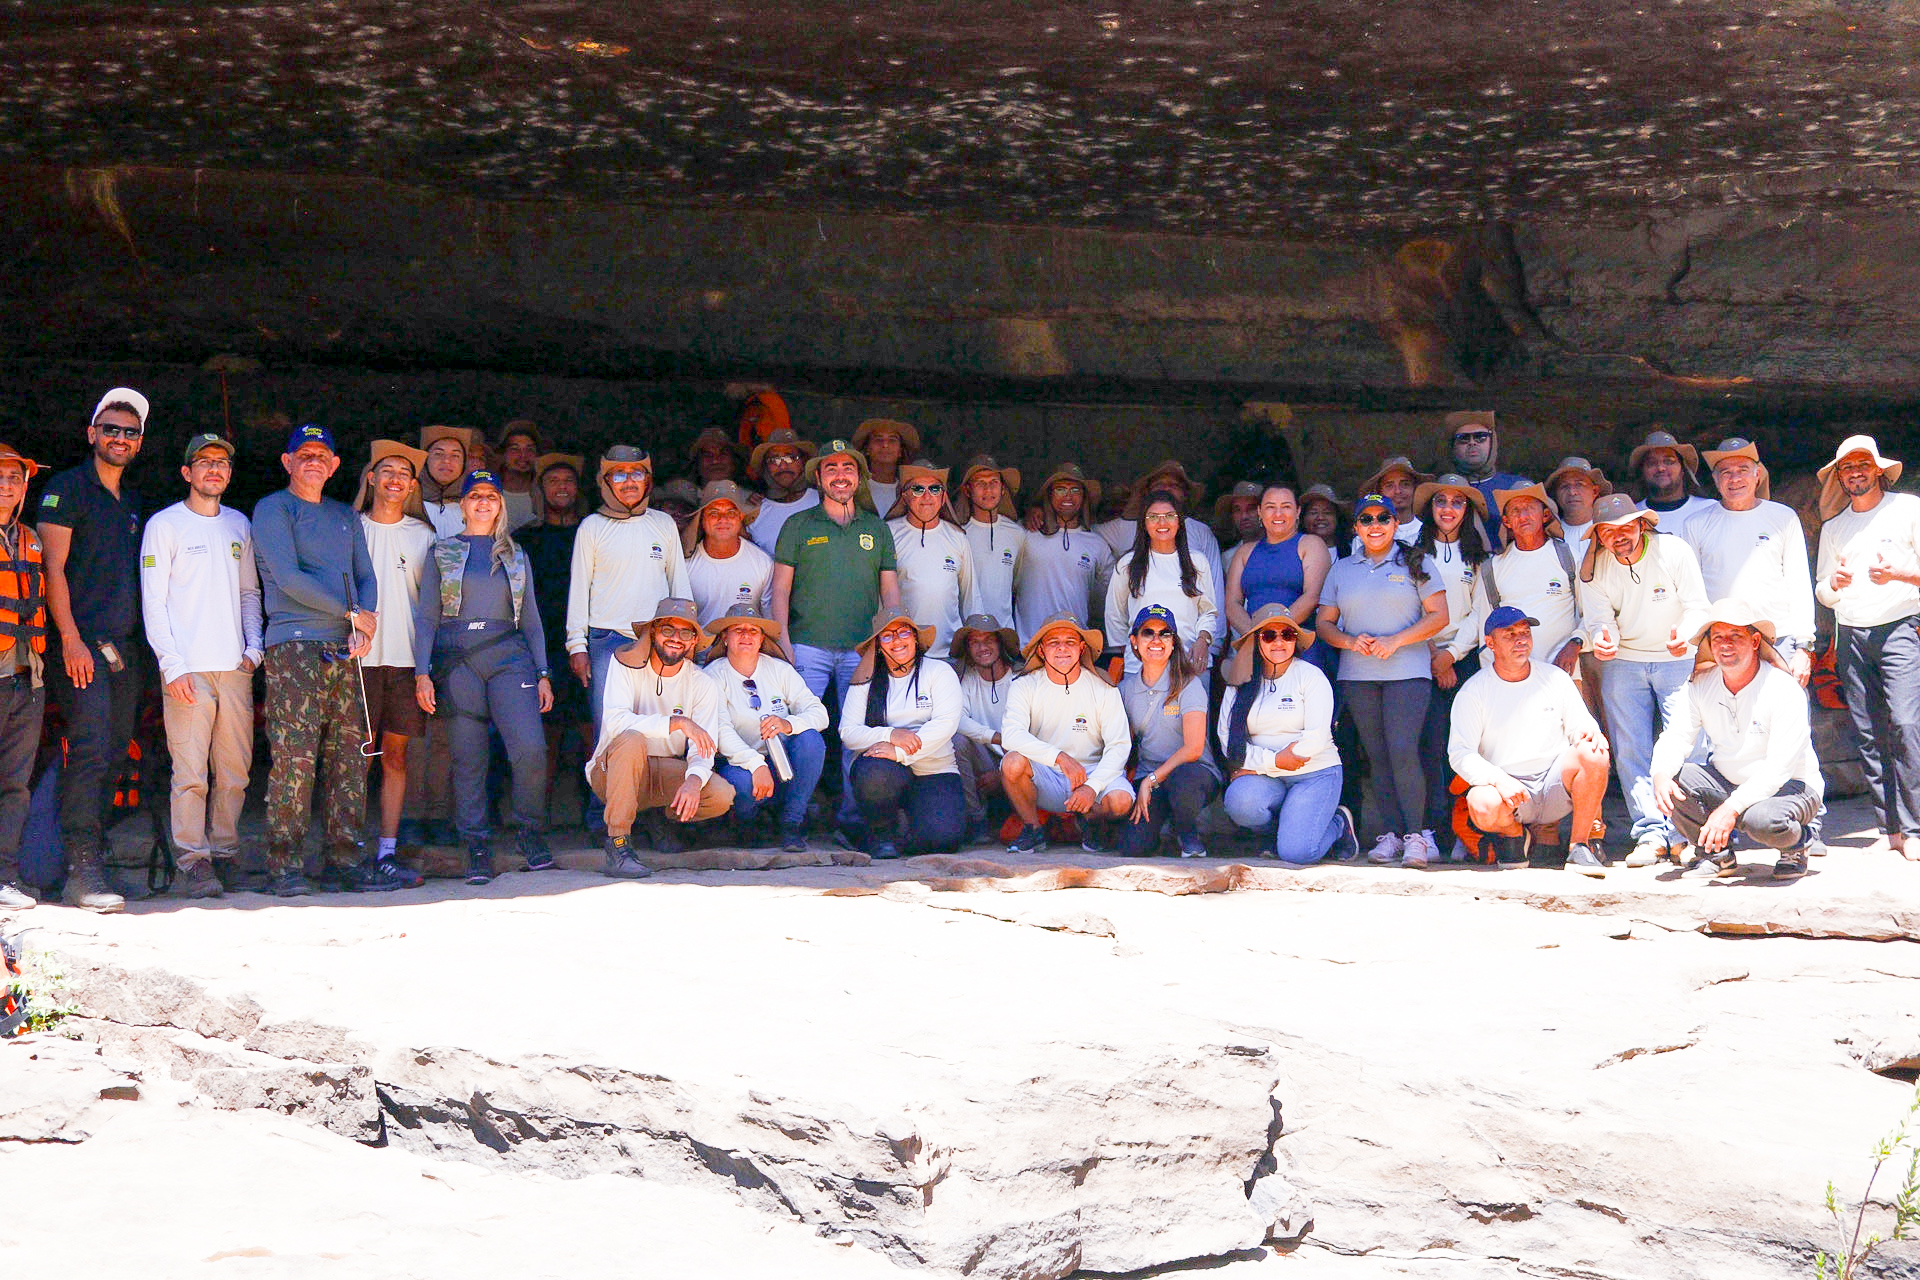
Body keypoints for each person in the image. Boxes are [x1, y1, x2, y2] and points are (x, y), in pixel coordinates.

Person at [251, 423, 388, 895]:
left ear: (334, 467)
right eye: (303, 453)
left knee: (349, 757)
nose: (313, 460)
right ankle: (283, 866)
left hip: (344, 648)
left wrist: (364, 619)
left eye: (321, 455)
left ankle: (345, 861)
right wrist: (351, 612)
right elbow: (288, 577)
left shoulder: (345, 517)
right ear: (287, 463)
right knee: (295, 758)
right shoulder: (274, 508)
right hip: (294, 645)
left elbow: (366, 575)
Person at [38, 387, 150, 913]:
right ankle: (81, 872)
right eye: (111, 429)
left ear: (139, 441)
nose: (120, 438)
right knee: (88, 748)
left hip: (123, 651)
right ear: (92, 434)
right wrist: (71, 641)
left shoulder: (132, 501)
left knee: (113, 750)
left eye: (130, 432)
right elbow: (51, 570)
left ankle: (89, 855)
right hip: (79, 647)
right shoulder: (66, 489)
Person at [413, 470, 554, 884]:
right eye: (475, 495)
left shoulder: (515, 555)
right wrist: (422, 673)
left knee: (530, 749)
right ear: (462, 505)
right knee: (468, 757)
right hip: (458, 659)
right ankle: (474, 842)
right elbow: (426, 618)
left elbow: (531, 619)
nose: (483, 502)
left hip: (509, 656)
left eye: (491, 496)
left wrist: (544, 672)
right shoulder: (442, 552)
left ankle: (530, 830)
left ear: (500, 505)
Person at [140, 432, 264, 900]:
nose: (215, 469)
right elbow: (153, 600)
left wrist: (254, 647)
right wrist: (171, 665)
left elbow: (249, 592)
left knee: (235, 771)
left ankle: (226, 856)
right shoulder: (165, 525)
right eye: (204, 462)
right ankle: (192, 861)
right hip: (187, 668)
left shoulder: (239, 525)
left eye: (223, 463)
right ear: (186, 472)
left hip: (234, 668)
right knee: (190, 773)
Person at [771, 438, 901, 830]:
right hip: (806, 646)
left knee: (856, 738)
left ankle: (852, 820)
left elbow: (890, 592)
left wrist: (892, 644)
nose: (840, 476)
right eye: (831, 469)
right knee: (800, 734)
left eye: (847, 469)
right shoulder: (798, 525)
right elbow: (780, 589)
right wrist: (783, 642)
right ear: (818, 478)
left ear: (858, 477)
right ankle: (791, 818)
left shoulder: (875, 529)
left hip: (862, 651)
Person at [1576, 494, 1710, 867]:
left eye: (1625, 528)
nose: (1618, 537)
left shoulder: (1673, 551)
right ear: (1599, 536)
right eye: (1608, 532)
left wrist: (1686, 633)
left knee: (1688, 743)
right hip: (1626, 660)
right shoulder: (1595, 567)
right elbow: (1599, 618)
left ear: (1641, 525)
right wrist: (1605, 638)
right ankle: (1650, 833)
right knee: (1630, 747)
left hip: (1677, 657)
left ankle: (1688, 833)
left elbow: (1699, 606)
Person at [1315, 492, 1448, 866]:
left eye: (1383, 518)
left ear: (1395, 523)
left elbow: (1439, 615)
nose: (1375, 525)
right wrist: (1349, 641)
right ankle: (1390, 835)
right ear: (1356, 527)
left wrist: (1397, 641)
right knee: (1376, 755)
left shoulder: (1416, 561)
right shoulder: (1342, 568)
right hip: (1358, 673)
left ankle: (1418, 836)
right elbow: (1324, 623)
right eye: (1367, 519)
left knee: (1404, 750)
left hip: (1407, 671)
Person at [1653, 602, 1824, 880]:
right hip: (1729, 781)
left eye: (1736, 636)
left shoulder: (1782, 689)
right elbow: (1676, 736)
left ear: (1755, 641)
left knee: (1762, 820)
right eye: (1718, 637)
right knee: (1674, 782)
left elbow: (1779, 768)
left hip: (1790, 787)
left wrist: (1730, 809)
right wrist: (1660, 773)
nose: (1725, 644)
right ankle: (1717, 856)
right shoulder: (1700, 684)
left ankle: (1798, 844)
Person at [1815, 435, 1920, 858]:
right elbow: (1823, 590)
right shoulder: (1835, 526)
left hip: (1900, 626)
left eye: (1862, 464)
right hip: (1852, 632)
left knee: (1906, 724)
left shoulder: (1909, 508)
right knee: (1868, 731)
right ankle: (1888, 829)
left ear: (1879, 469)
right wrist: (1834, 586)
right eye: (1847, 467)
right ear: (1840, 477)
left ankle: (1914, 828)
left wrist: (1902, 573)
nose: (1855, 472)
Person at [1449, 606, 1612, 874]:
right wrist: (1499, 779)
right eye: (1510, 634)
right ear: (1490, 643)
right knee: (1481, 802)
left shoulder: (1554, 678)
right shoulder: (1474, 691)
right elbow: (1459, 753)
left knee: (1594, 752)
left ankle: (1579, 847)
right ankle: (1514, 835)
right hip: (1509, 791)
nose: (1520, 640)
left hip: (1554, 785)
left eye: (1525, 633)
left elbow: (1581, 725)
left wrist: (1590, 730)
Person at [587, 597, 734, 870]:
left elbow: (704, 746)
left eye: (685, 632)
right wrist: (676, 722)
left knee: (720, 794)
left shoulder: (702, 683)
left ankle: (662, 819)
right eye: (668, 630)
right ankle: (618, 844)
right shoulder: (624, 664)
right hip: (614, 771)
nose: (676, 638)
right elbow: (615, 722)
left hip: (665, 771)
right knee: (631, 739)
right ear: (653, 632)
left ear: (693, 642)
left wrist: (694, 779)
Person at [565, 445, 693, 752]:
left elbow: (679, 584)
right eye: (619, 474)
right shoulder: (592, 527)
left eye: (637, 473)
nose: (629, 481)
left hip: (659, 641)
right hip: (607, 642)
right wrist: (576, 646)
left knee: (661, 732)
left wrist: (688, 638)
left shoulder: (662, 523)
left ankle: (651, 798)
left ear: (648, 480)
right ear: (605, 481)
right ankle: (604, 801)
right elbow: (579, 589)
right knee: (609, 732)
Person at [351, 440, 437, 876]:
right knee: (355, 757)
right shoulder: (351, 527)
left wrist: (425, 668)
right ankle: (347, 849)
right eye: (386, 470)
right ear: (371, 478)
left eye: (404, 473)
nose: (395, 478)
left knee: (396, 756)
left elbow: (430, 606)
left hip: (404, 661)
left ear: (412, 485)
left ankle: (386, 851)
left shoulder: (422, 536)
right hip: (358, 661)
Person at [1219, 605, 1357, 865]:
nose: (1279, 642)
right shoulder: (1241, 680)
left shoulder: (1311, 677)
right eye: (1269, 635)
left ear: (1296, 640)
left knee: (1298, 854)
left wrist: (1264, 765)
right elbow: (1228, 741)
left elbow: (1316, 738)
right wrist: (1271, 764)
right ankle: (1286, 831)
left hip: (1312, 773)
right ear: (1256, 640)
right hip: (1267, 774)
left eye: (1287, 635)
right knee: (1241, 802)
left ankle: (1338, 824)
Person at [1001, 611, 1134, 854]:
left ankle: (1090, 821)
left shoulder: (1103, 688)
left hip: (1092, 774)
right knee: (1011, 762)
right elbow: (1011, 735)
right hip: (1046, 777)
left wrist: (1091, 786)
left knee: (1121, 801)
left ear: (1082, 648)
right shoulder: (1025, 685)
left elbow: (1119, 745)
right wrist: (1060, 758)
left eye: (1070, 642)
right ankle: (1033, 828)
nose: (1062, 649)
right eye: (1054, 643)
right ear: (1041, 650)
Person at [839, 607, 964, 858]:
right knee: (874, 775)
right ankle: (881, 833)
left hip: (934, 769)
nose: (896, 640)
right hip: (884, 769)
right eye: (887, 636)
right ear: (878, 645)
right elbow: (848, 732)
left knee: (942, 839)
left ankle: (904, 827)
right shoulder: (867, 677)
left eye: (903, 632)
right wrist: (890, 735)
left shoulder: (939, 672)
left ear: (915, 638)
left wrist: (899, 752)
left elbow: (945, 724)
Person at [1688, 437, 1815, 683]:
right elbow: (1690, 591)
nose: (1735, 479)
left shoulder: (1783, 517)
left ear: (1758, 474)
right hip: (1722, 643)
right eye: (1726, 472)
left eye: (1743, 470)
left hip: (1780, 637)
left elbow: (1798, 581)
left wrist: (1804, 645)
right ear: (1715, 480)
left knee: (1785, 716)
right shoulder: (1696, 524)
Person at [704, 603, 829, 853]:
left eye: (753, 630)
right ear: (725, 638)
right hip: (738, 765)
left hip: (781, 763)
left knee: (811, 741)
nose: (746, 635)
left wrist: (788, 724)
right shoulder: (712, 676)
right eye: (737, 630)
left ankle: (791, 823)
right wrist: (756, 764)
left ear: (762, 639)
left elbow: (820, 714)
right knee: (740, 782)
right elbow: (720, 731)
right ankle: (746, 825)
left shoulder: (779, 669)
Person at [1410, 474, 1490, 848]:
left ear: (1467, 510)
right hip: (1417, 657)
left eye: (1457, 502)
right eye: (1440, 501)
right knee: (1428, 747)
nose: (1448, 509)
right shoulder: (1410, 551)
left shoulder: (1477, 556)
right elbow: (1408, 607)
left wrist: (1451, 656)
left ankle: (1465, 830)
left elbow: (1479, 613)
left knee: (1464, 746)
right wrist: (1431, 654)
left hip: (1463, 660)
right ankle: (1433, 831)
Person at [517, 453, 593, 821]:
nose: (561, 487)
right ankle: (538, 821)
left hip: (586, 645)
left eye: (568, 481)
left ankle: (598, 818)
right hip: (540, 645)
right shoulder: (525, 539)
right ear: (540, 490)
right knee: (544, 736)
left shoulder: (592, 533)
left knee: (592, 733)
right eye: (553, 481)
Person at [1117, 604, 1220, 858]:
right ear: (1134, 641)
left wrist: (1151, 780)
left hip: (1194, 774)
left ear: (1174, 643)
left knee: (1182, 780)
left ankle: (1187, 832)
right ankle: (1163, 829)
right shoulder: (1125, 689)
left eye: (1165, 633)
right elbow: (1121, 744)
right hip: (1149, 775)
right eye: (1147, 632)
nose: (1156, 640)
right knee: (1133, 847)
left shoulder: (1189, 684)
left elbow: (1194, 749)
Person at [0, 445, 49, 910]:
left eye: (14, 477)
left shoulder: (31, 538)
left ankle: (5, 877)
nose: (6, 486)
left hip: (26, 678)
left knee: (15, 783)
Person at [1106, 491, 1219, 678]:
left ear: (1180, 521)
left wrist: (1203, 640)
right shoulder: (1128, 564)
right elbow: (1114, 615)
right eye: (1153, 517)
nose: (1162, 523)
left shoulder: (1197, 562)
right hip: (1140, 668)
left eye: (1169, 516)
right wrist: (1135, 652)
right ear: (1143, 523)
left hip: (1189, 663)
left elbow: (1208, 611)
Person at [1475, 484, 1583, 678]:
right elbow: (1487, 627)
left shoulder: (1567, 556)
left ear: (1545, 515)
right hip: (1515, 676)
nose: (1523, 515)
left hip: (1566, 672)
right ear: (1506, 521)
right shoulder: (1493, 567)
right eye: (1515, 510)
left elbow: (1589, 612)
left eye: (1530, 508)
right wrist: (1492, 677)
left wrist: (1575, 644)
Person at [1015, 463, 1115, 646]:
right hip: (1029, 647)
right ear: (1049, 495)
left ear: (1084, 497)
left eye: (1075, 490)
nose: (1068, 496)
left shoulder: (1097, 544)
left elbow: (1111, 600)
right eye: (1060, 489)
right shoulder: (1026, 533)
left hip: (1073, 649)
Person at [1109, 462, 1227, 616]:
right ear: (1148, 492)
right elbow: (1115, 614)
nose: (1166, 489)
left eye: (1174, 485)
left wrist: (1213, 638)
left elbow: (1214, 590)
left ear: (1184, 494)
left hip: (1192, 637)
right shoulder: (1127, 531)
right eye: (1160, 485)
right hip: (1142, 637)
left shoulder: (1201, 533)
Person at [1224, 482, 1331, 648]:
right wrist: (1256, 635)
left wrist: (1275, 633)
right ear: (1260, 512)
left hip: (1299, 643)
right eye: (1270, 507)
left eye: (1286, 506)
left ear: (1298, 511)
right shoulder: (1245, 552)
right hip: (1256, 644)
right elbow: (1232, 603)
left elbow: (1312, 596)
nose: (1278, 513)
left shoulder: (1311, 544)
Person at [885, 460, 975, 653]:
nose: (927, 496)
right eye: (918, 489)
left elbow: (971, 597)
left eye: (935, 489)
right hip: (901, 652)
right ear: (905, 496)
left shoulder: (958, 537)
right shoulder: (888, 534)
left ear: (943, 497)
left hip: (949, 652)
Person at [951, 614, 1018, 842]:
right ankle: (976, 820)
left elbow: (1037, 730)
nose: (983, 647)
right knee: (957, 741)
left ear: (1000, 643)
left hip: (1021, 757)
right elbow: (957, 720)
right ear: (968, 649)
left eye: (989, 639)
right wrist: (995, 738)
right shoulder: (966, 678)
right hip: (985, 755)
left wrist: (1002, 773)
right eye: (975, 642)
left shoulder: (1020, 678)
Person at [683, 480, 773, 628]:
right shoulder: (685, 563)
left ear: (741, 516)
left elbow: (769, 619)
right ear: (702, 518)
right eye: (714, 513)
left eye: (731, 513)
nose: (723, 519)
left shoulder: (763, 563)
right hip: (699, 649)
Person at [1440, 411, 1528, 548]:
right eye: (1463, 438)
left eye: (1480, 437)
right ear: (1453, 447)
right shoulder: (1440, 490)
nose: (1472, 443)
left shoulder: (1516, 486)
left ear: (1492, 442)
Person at [959, 455, 1027, 628]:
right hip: (966, 633)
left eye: (994, 482)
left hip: (1004, 632)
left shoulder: (1017, 533)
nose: (988, 489)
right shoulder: (958, 533)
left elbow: (1017, 583)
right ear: (968, 490)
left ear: (1003, 489)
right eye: (980, 483)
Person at [1628, 429, 1717, 542]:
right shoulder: (1631, 517)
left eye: (1669, 461)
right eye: (1651, 463)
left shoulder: (1710, 510)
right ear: (1642, 472)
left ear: (1683, 470)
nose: (1661, 468)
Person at [746, 429, 820, 553]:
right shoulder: (754, 513)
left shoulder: (823, 500)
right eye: (774, 460)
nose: (783, 466)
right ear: (765, 466)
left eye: (791, 457)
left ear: (803, 461)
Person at [418, 425, 482, 536]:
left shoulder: (477, 507)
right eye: (438, 454)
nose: (447, 460)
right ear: (425, 460)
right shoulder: (406, 503)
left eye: (455, 455)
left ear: (464, 463)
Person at [1545, 456, 1611, 560]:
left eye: (1579, 485)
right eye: (1564, 486)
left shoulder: (1611, 531)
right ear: (1556, 494)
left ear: (1595, 491)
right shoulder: (1549, 536)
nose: (1572, 492)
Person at [1355, 456, 1430, 547]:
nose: (1398, 491)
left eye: (1405, 484)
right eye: (1389, 486)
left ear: (1415, 488)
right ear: (1379, 491)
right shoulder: (1365, 537)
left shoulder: (1430, 534)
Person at [852, 418, 917, 518]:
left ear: (900, 451)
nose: (885, 445)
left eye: (892, 440)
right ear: (867, 449)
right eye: (878, 440)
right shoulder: (853, 488)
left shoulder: (910, 491)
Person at [494, 420, 546, 532]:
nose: (523, 455)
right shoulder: (487, 491)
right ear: (503, 454)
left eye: (530, 449)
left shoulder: (545, 495)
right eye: (515, 449)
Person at [1213, 481, 1265, 553]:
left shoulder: (1282, 550)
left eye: (1251, 508)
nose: (1244, 516)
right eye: (1237, 510)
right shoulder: (1229, 558)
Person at [1300, 484, 1345, 559]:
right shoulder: (1293, 554)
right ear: (1303, 518)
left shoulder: (1352, 552)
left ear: (1337, 518)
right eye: (1313, 512)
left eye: (1327, 512)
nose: (1320, 517)